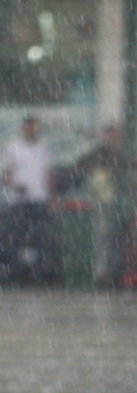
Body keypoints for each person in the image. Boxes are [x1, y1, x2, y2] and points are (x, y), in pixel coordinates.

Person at [2, 115, 56, 283]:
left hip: (39, 198)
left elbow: (47, 174)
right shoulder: (13, 147)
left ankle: (37, 274)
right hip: (19, 200)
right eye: (29, 128)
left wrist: (51, 196)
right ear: (24, 129)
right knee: (16, 237)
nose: (32, 131)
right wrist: (15, 186)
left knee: (39, 237)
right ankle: (16, 274)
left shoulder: (44, 148)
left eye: (35, 128)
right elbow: (6, 173)